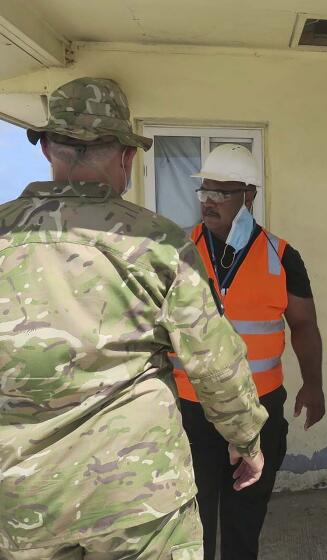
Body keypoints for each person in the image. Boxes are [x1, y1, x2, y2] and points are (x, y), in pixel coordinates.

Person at [0, 78, 267, 559]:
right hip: (138, 498)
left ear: (45, 149)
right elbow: (213, 360)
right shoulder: (156, 242)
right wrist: (245, 438)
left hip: (23, 502)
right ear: (125, 156)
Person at [173, 144, 326, 560]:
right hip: (191, 408)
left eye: (222, 193)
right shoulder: (176, 251)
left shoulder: (282, 257)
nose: (209, 200)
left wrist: (314, 384)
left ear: (249, 196)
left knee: (244, 519)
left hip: (259, 409)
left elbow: (304, 325)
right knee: (192, 524)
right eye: (205, 191)